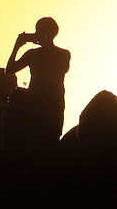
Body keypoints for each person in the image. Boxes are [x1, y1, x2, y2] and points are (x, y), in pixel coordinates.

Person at [5, 17, 70, 148]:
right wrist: (17, 46)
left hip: (51, 102)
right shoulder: (34, 54)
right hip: (37, 102)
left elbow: (62, 69)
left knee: (50, 139)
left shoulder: (62, 54)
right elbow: (10, 70)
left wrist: (18, 46)